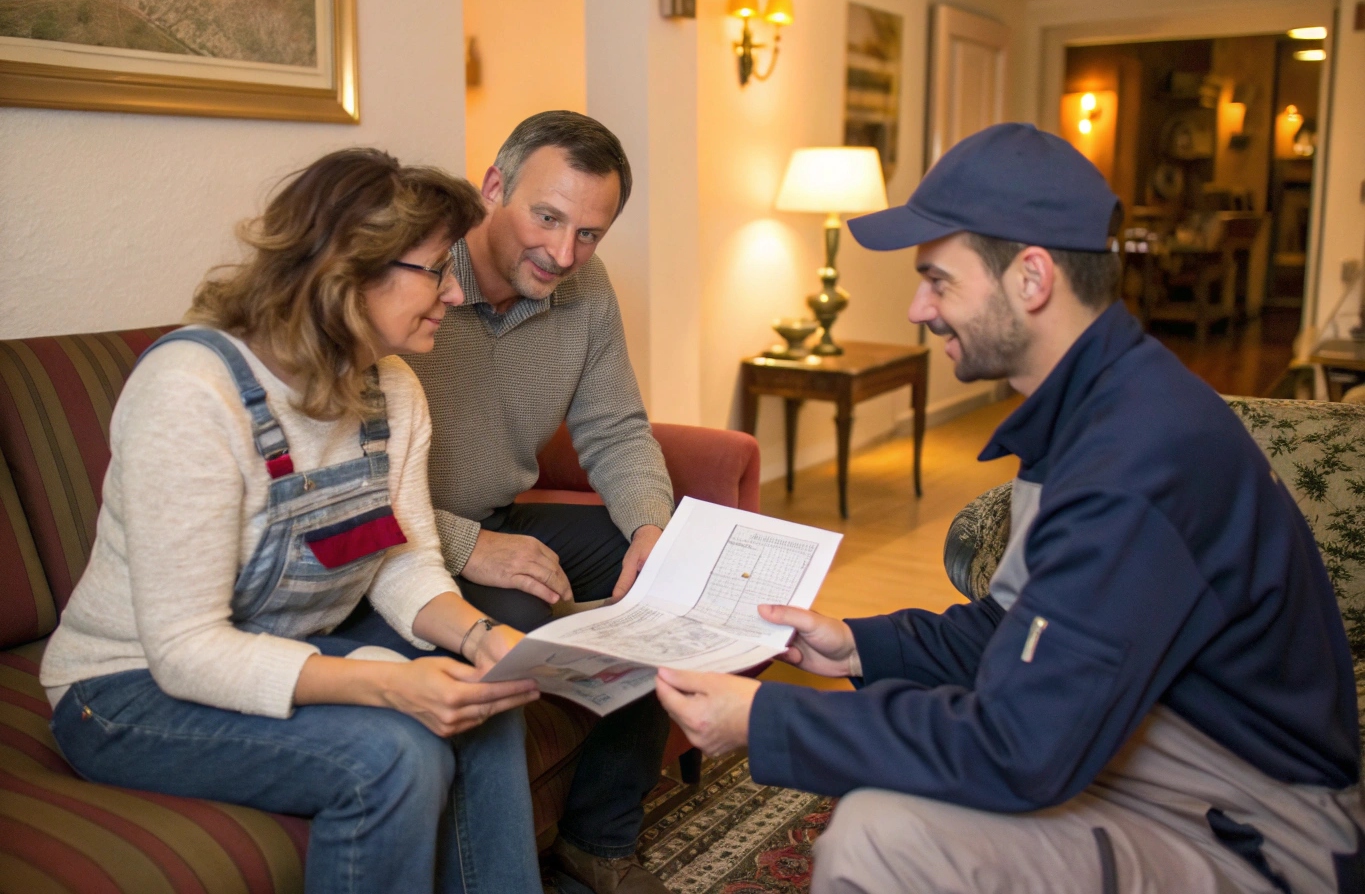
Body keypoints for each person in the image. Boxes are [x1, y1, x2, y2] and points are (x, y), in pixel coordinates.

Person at [655, 123, 1363, 894]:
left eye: (938, 279)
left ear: (1030, 279)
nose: (918, 310)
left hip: (1254, 825)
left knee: (878, 836)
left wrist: (760, 719)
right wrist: (857, 646)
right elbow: (1023, 631)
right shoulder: (1098, 407)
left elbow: (1018, 745)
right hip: (1156, 749)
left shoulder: (1134, 460)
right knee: (892, 799)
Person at [40, 149, 544, 894]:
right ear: (350, 270)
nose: (454, 293)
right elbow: (183, 650)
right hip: (127, 690)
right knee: (394, 758)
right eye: (436, 269)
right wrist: (387, 687)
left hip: (286, 642)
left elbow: (402, 560)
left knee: (484, 703)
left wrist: (482, 638)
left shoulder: (394, 388)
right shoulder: (192, 391)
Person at [340, 111, 674, 893]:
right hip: (402, 540)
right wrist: (460, 545)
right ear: (494, 186)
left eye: (589, 233)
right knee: (513, 625)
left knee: (664, 578)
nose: (564, 254)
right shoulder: (410, 278)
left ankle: (599, 841)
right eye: (547, 217)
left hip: (498, 515)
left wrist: (650, 529)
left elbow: (617, 428)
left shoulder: (584, 290)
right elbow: (346, 476)